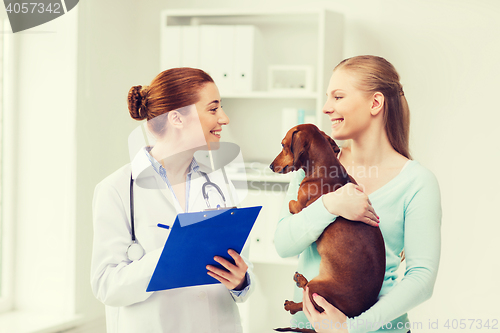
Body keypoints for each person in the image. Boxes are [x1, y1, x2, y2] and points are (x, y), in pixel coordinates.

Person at [274, 55, 441, 333]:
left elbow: (422, 279)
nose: (327, 108)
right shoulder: (311, 169)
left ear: (375, 103)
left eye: (338, 97)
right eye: (328, 97)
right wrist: (330, 205)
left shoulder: (417, 182)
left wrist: (352, 328)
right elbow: (283, 244)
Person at [91, 68, 254, 333]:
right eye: (213, 109)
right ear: (177, 118)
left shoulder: (220, 184)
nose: (224, 118)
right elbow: (106, 286)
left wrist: (241, 281)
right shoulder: (116, 189)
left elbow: (245, 277)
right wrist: (171, 255)